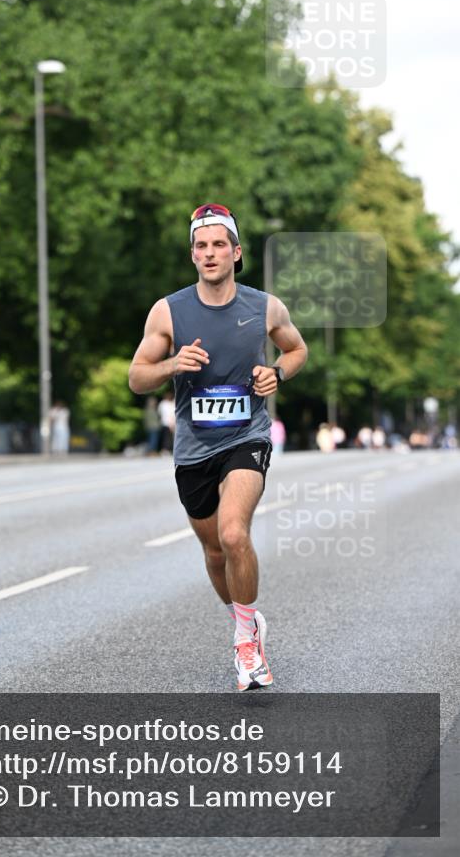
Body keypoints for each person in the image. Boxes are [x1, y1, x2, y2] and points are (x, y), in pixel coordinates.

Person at [129, 203, 308, 692]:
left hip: (246, 437)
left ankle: (246, 641)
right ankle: (243, 617)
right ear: (193, 255)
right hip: (193, 449)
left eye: (218, 245)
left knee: (233, 535)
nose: (210, 254)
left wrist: (277, 373)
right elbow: (137, 376)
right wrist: (171, 365)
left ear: (236, 252)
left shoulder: (264, 307)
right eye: (201, 246)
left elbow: (296, 348)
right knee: (213, 552)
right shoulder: (169, 311)